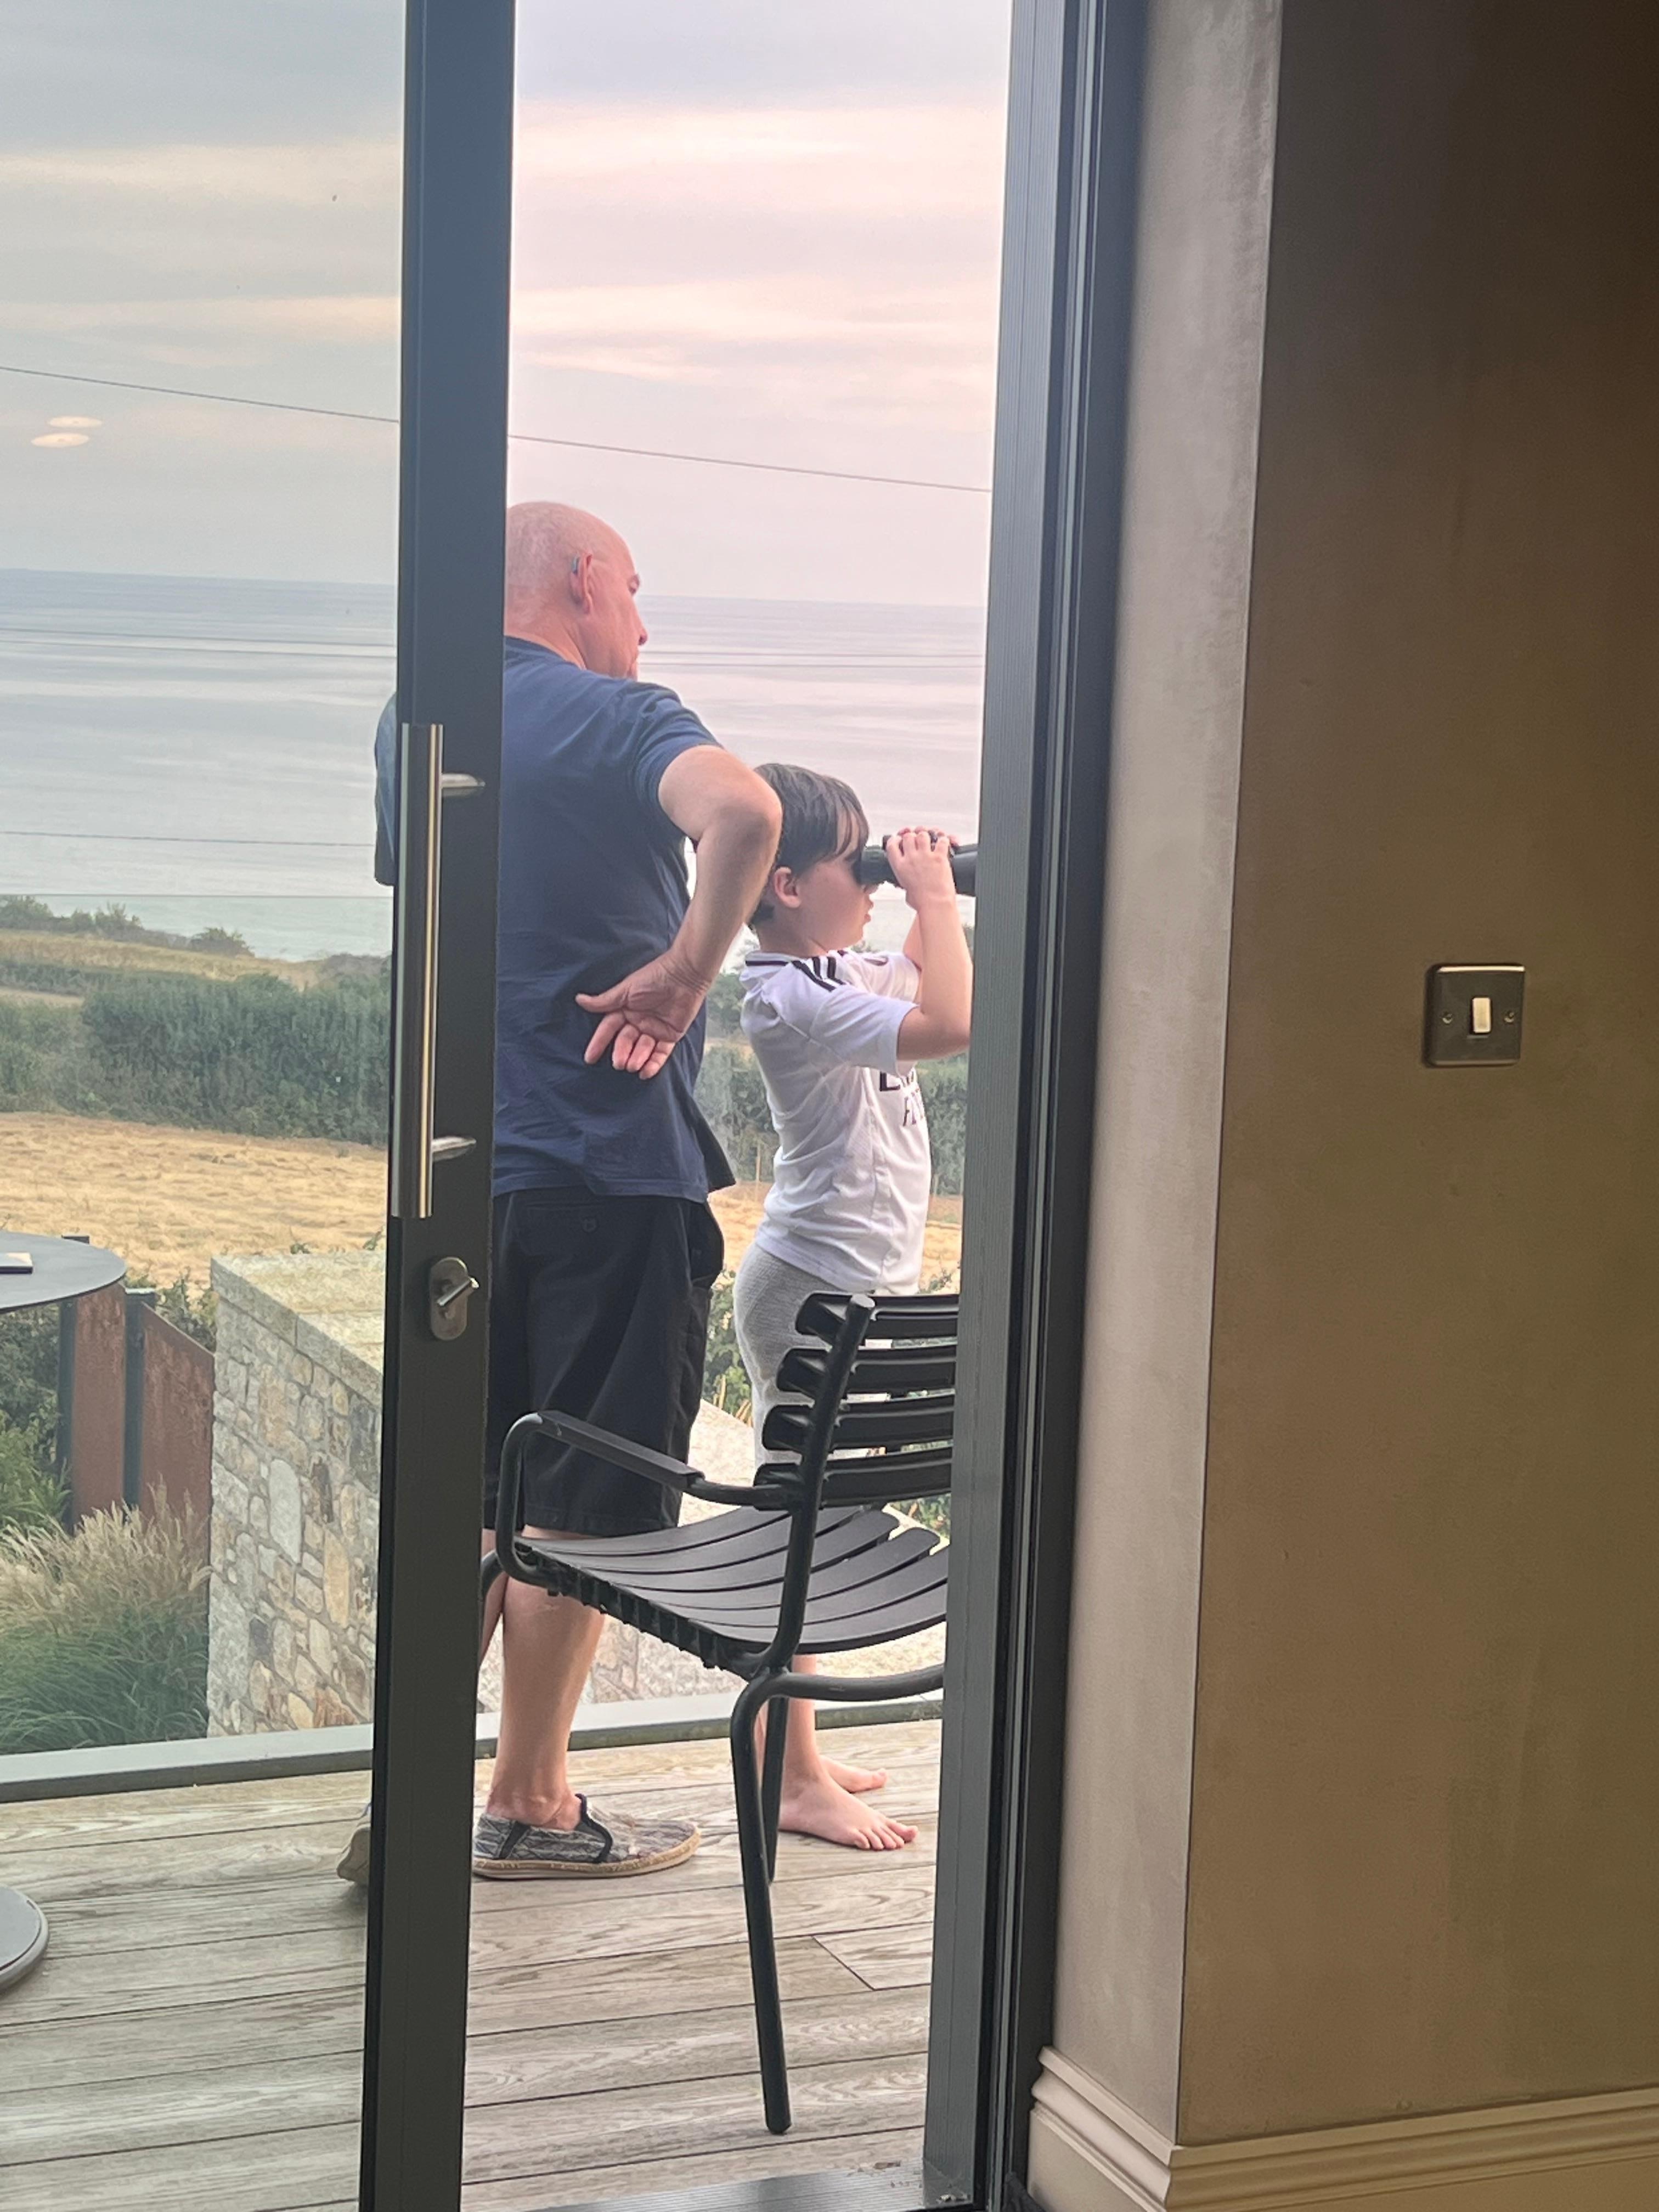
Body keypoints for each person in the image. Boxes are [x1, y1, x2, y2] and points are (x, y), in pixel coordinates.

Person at [342, 501, 780, 1881]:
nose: (644, 626)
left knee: (478, 1494)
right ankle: (530, 1804)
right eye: (637, 591)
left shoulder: (422, 717)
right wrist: (688, 969)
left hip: (469, 1176)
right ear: (585, 582)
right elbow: (749, 813)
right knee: (573, 1506)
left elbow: (419, 900)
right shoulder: (613, 713)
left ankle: (406, 1801)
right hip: (610, 1167)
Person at [734, 763, 972, 1850]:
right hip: (810, 1289)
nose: (872, 880)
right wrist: (931, 896)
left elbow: (917, 974)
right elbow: (948, 1023)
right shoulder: (787, 995)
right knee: (804, 1527)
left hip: (856, 1283)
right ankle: (791, 1777)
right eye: (857, 862)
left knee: (815, 1526)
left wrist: (932, 898)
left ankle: (801, 1760)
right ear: (784, 884)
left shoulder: (840, 969)